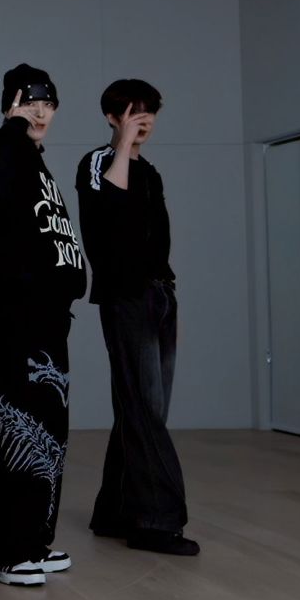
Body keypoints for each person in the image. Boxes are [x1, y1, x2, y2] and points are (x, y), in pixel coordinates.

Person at [0, 64, 88, 587]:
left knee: (52, 432)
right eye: (30, 101)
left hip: (50, 317)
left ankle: (34, 541)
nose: (40, 111)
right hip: (18, 316)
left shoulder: (35, 166)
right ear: (10, 105)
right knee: (22, 429)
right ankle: (5, 551)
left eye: (48, 103)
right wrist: (14, 126)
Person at [75, 79, 197, 556]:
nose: (142, 120)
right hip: (125, 298)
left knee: (144, 408)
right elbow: (110, 212)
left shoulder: (151, 173)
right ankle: (154, 521)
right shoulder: (97, 163)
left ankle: (114, 510)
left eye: (149, 113)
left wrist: (166, 291)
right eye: (132, 112)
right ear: (112, 117)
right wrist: (123, 145)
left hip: (159, 294)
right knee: (144, 407)